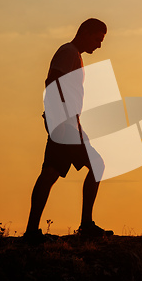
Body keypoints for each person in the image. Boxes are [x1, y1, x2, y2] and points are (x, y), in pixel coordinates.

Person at [24, 18, 113, 242]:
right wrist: (58, 119)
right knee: (96, 164)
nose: (99, 45)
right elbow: (52, 82)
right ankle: (84, 225)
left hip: (70, 123)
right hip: (64, 124)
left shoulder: (76, 56)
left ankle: (32, 231)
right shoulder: (69, 52)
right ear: (84, 33)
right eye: (97, 39)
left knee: (50, 173)